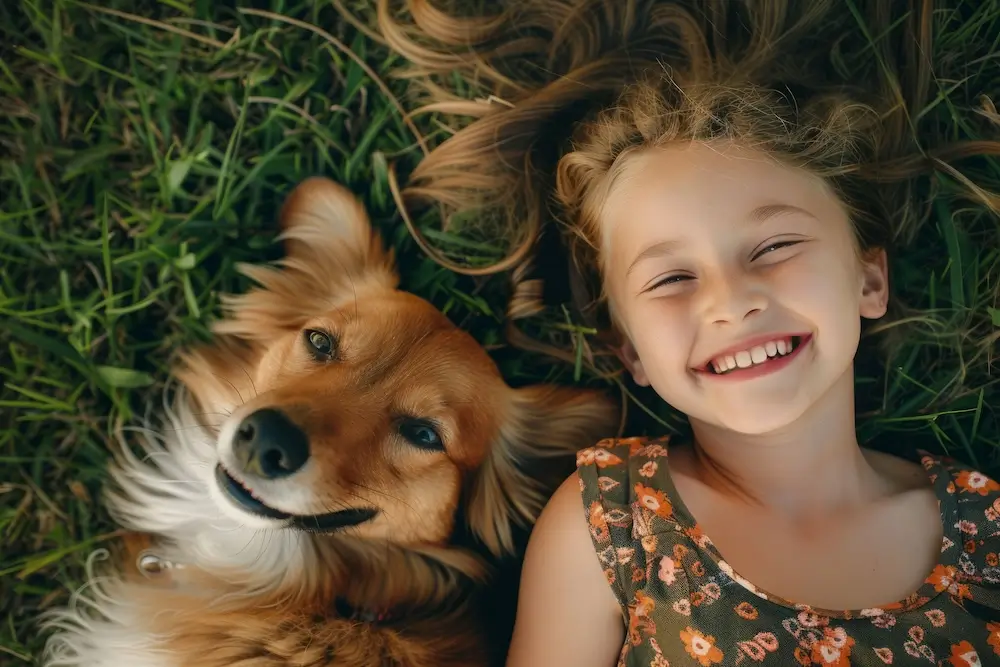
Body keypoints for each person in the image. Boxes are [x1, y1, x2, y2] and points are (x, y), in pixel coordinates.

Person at [375, 0, 1000, 664]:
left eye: (775, 246)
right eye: (671, 279)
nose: (730, 303)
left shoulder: (985, 530)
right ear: (632, 350)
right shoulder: (616, 522)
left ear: (868, 278)